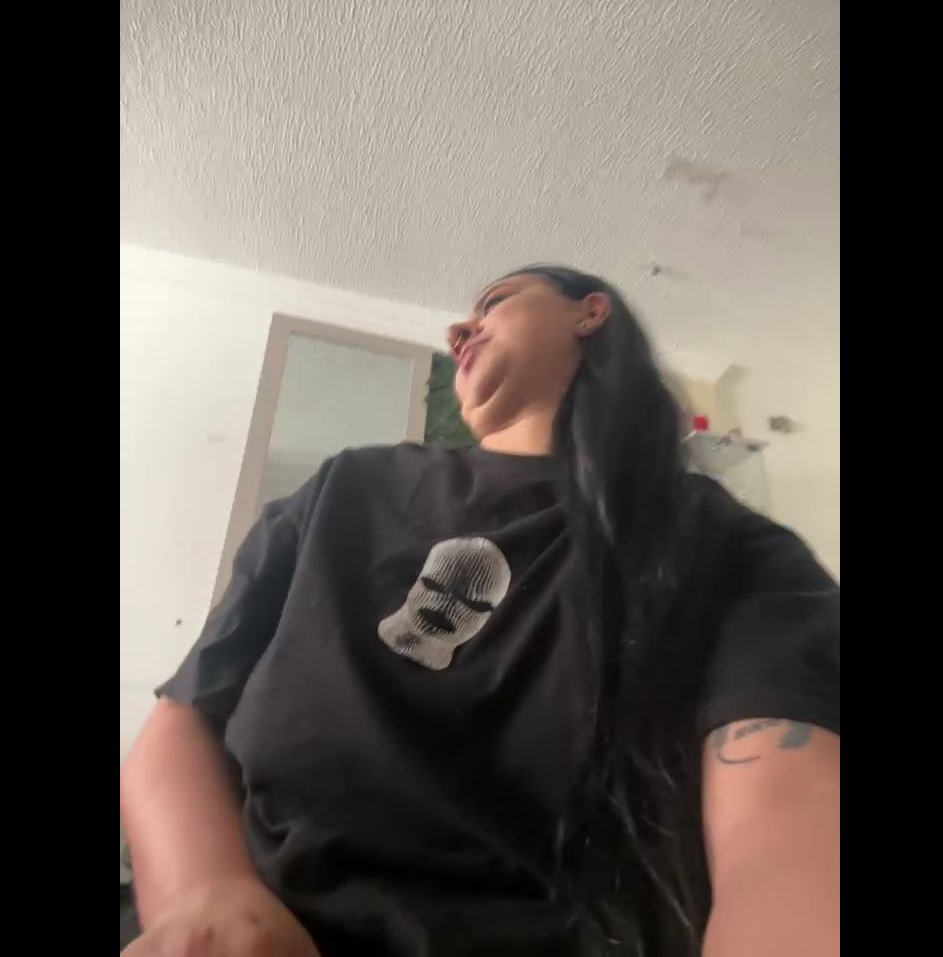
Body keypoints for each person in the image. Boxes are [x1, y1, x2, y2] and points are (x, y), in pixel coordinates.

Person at [120, 266, 840, 957]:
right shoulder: (345, 490)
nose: (458, 329)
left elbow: (783, 830)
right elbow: (184, 719)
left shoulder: (723, 545)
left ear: (590, 312)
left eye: (495, 300)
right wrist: (206, 899)